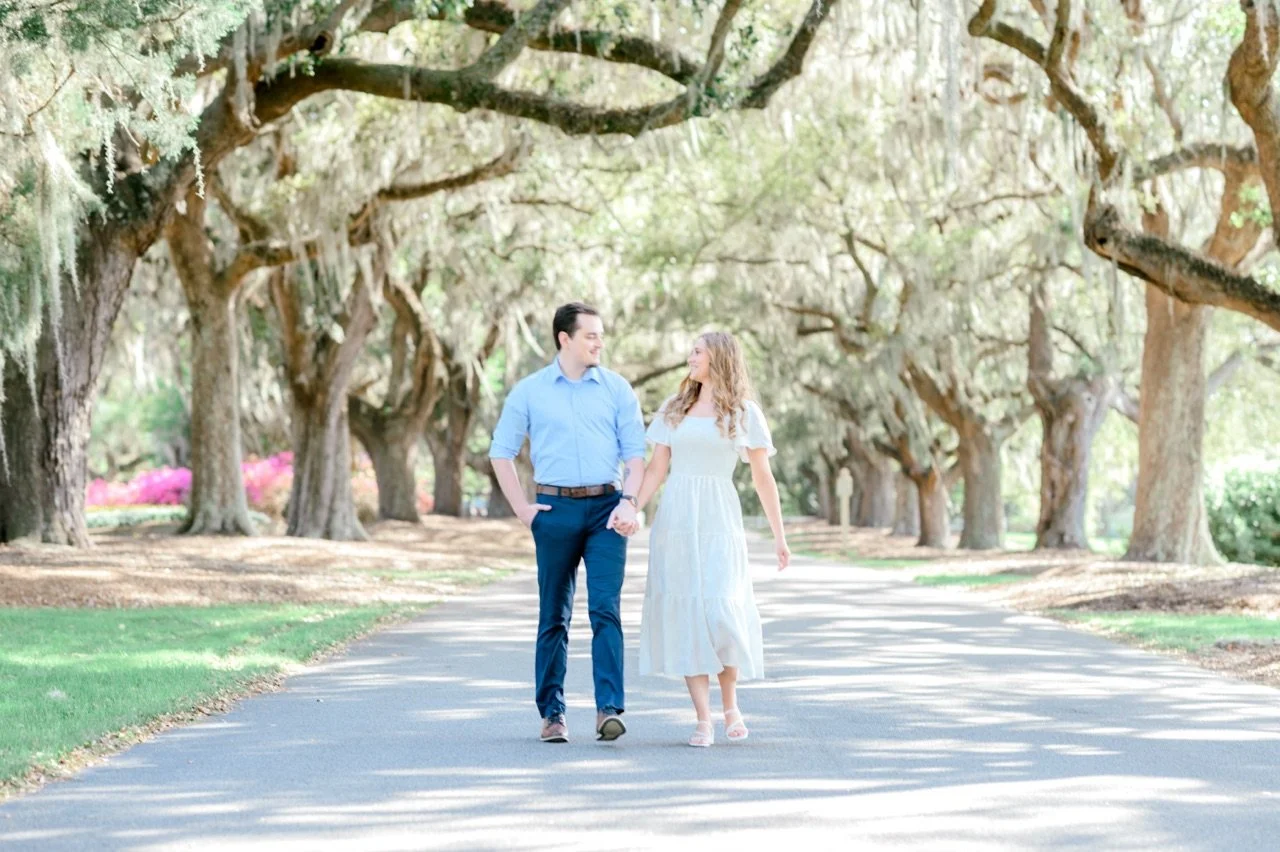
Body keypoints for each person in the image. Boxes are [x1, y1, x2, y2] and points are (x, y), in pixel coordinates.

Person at [488, 302, 645, 744]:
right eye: (591, 335)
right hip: (554, 511)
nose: (599, 342)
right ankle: (552, 714)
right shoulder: (530, 391)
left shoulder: (617, 389)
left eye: (600, 335)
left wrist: (629, 502)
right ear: (565, 338)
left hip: (606, 509)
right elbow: (501, 451)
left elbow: (635, 455)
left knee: (605, 611)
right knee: (554, 615)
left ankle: (608, 709)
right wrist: (522, 508)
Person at [626, 331, 790, 748]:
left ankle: (730, 703)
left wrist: (779, 535)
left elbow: (762, 477)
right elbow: (656, 468)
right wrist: (632, 506)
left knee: (722, 614)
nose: (690, 356)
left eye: (697, 351)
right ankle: (703, 718)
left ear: (718, 357)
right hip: (677, 520)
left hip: (718, 518)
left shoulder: (744, 412)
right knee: (687, 616)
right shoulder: (674, 408)